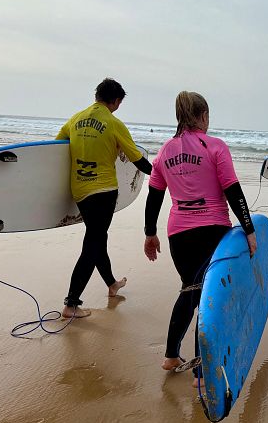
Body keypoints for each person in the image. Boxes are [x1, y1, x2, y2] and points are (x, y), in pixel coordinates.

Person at [143, 91, 257, 384]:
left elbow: (154, 196)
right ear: (203, 116)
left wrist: (150, 234)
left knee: (190, 290)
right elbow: (233, 190)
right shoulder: (215, 146)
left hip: (178, 234)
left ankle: (171, 356)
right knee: (208, 297)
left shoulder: (165, 152)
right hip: (212, 231)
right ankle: (201, 371)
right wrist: (249, 230)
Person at [57, 78, 152, 318]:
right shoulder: (113, 123)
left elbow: (56, 147)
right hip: (103, 193)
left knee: (98, 238)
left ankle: (111, 284)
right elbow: (136, 159)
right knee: (93, 244)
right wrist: (161, 175)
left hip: (79, 192)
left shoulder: (75, 119)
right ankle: (71, 303)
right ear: (117, 101)